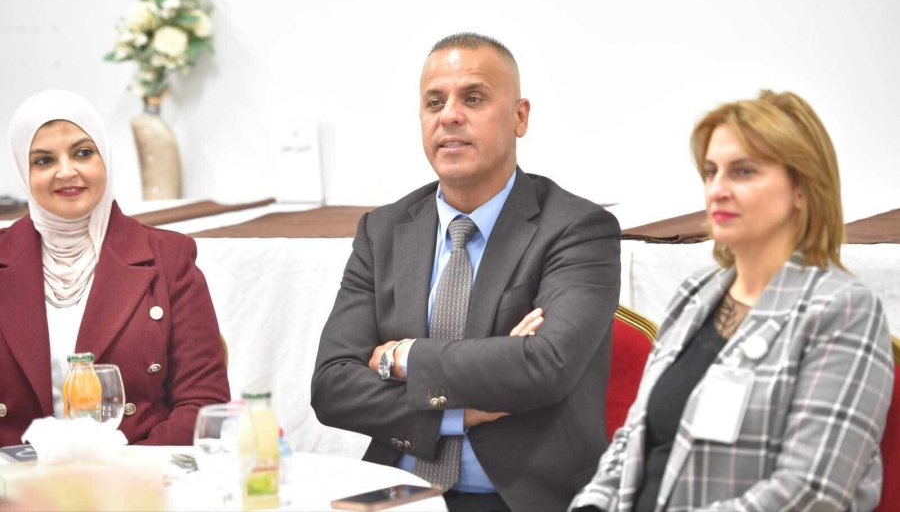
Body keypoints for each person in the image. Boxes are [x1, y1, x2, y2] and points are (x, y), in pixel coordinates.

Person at [311, 33, 621, 512]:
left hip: (522, 497)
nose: (450, 115)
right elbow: (332, 386)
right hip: (400, 490)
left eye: (473, 98)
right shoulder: (383, 230)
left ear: (520, 117)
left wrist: (401, 357)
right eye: (434, 102)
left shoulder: (577, 228)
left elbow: (546, 366)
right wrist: (458, 413)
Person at [570, 90, 894, 512]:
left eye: (743, 171)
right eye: (711, 172)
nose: (718, 190)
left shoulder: (843, 311)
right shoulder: (697, 293)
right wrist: (592, 505)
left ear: (802, 188)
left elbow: (811, 491)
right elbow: (633, 439)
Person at [0, 89, 230, 446]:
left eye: (83, 153)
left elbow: (204, 403)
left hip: (140, 471)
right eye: (44, 160)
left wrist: (128, 470)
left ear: (105, 156)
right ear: (22, 170)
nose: (66, 171)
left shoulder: (169, 257)